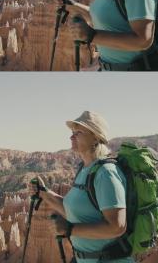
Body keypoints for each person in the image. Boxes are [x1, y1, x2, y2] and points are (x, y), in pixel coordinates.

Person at [29, 111, 132, 263]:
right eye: (72, 132)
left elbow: (117, 227)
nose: (71, 137)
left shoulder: (106, 173)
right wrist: (44, 193)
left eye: (78, 132)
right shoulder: (85, 169)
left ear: (95, 137)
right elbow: (74, 212)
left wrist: (69, 229)